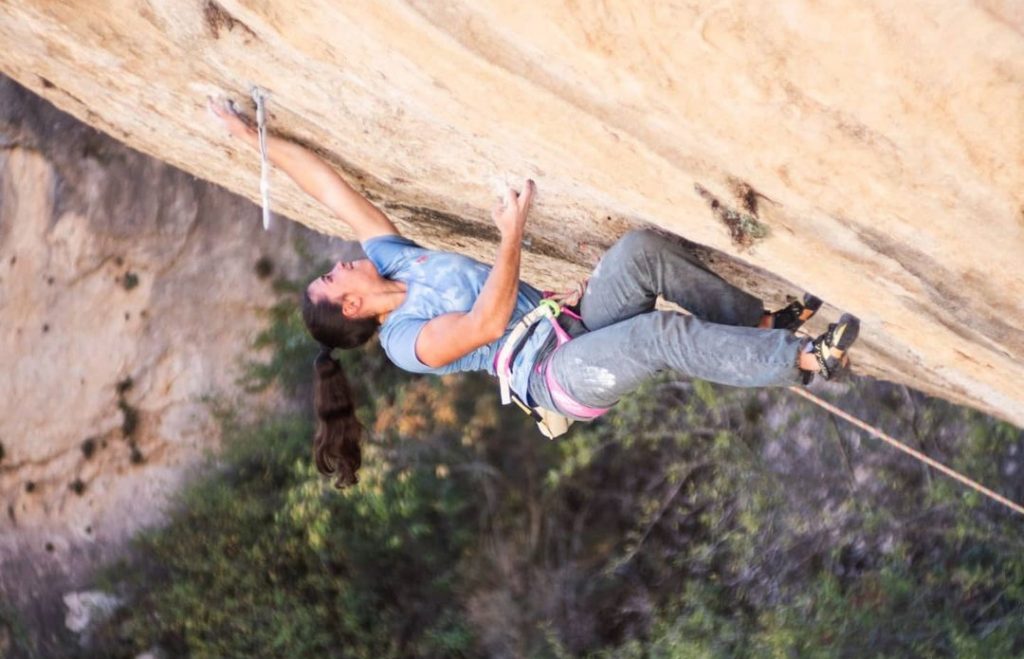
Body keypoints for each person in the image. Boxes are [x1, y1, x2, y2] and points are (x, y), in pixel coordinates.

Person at [210, 98, 859, 488]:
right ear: (350, 306)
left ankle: (766, 321)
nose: (342, 262)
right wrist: (511, 232)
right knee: (657, 336)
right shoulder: (408, 342)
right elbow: (489, 321)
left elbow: (330, 190)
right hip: (555, 374)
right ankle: (801, 360)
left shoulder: (394, 258)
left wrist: (251, 140)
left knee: (640, 253)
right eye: (333, 277)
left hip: (569, 322)